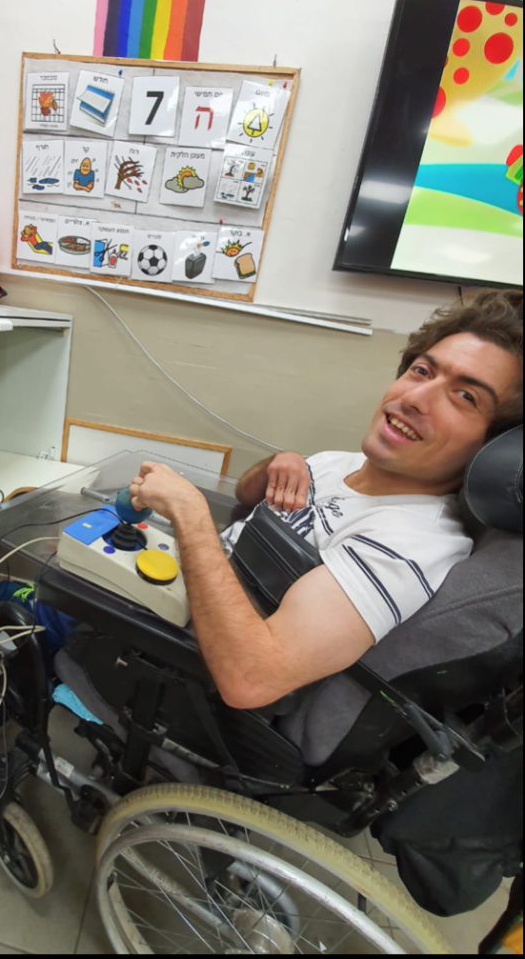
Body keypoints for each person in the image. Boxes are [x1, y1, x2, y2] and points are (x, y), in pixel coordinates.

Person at [38, 289, 523, 711]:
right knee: (55, 563)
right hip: (172, 599)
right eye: (422, 371)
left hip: (170, 657)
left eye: (465, 397)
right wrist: (276, 464)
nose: (417, 398)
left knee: (31, 600)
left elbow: (252, 677)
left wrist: (188, 511)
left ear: (494, 448)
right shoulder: (341, 462)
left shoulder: (411, 543)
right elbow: (250, 501)